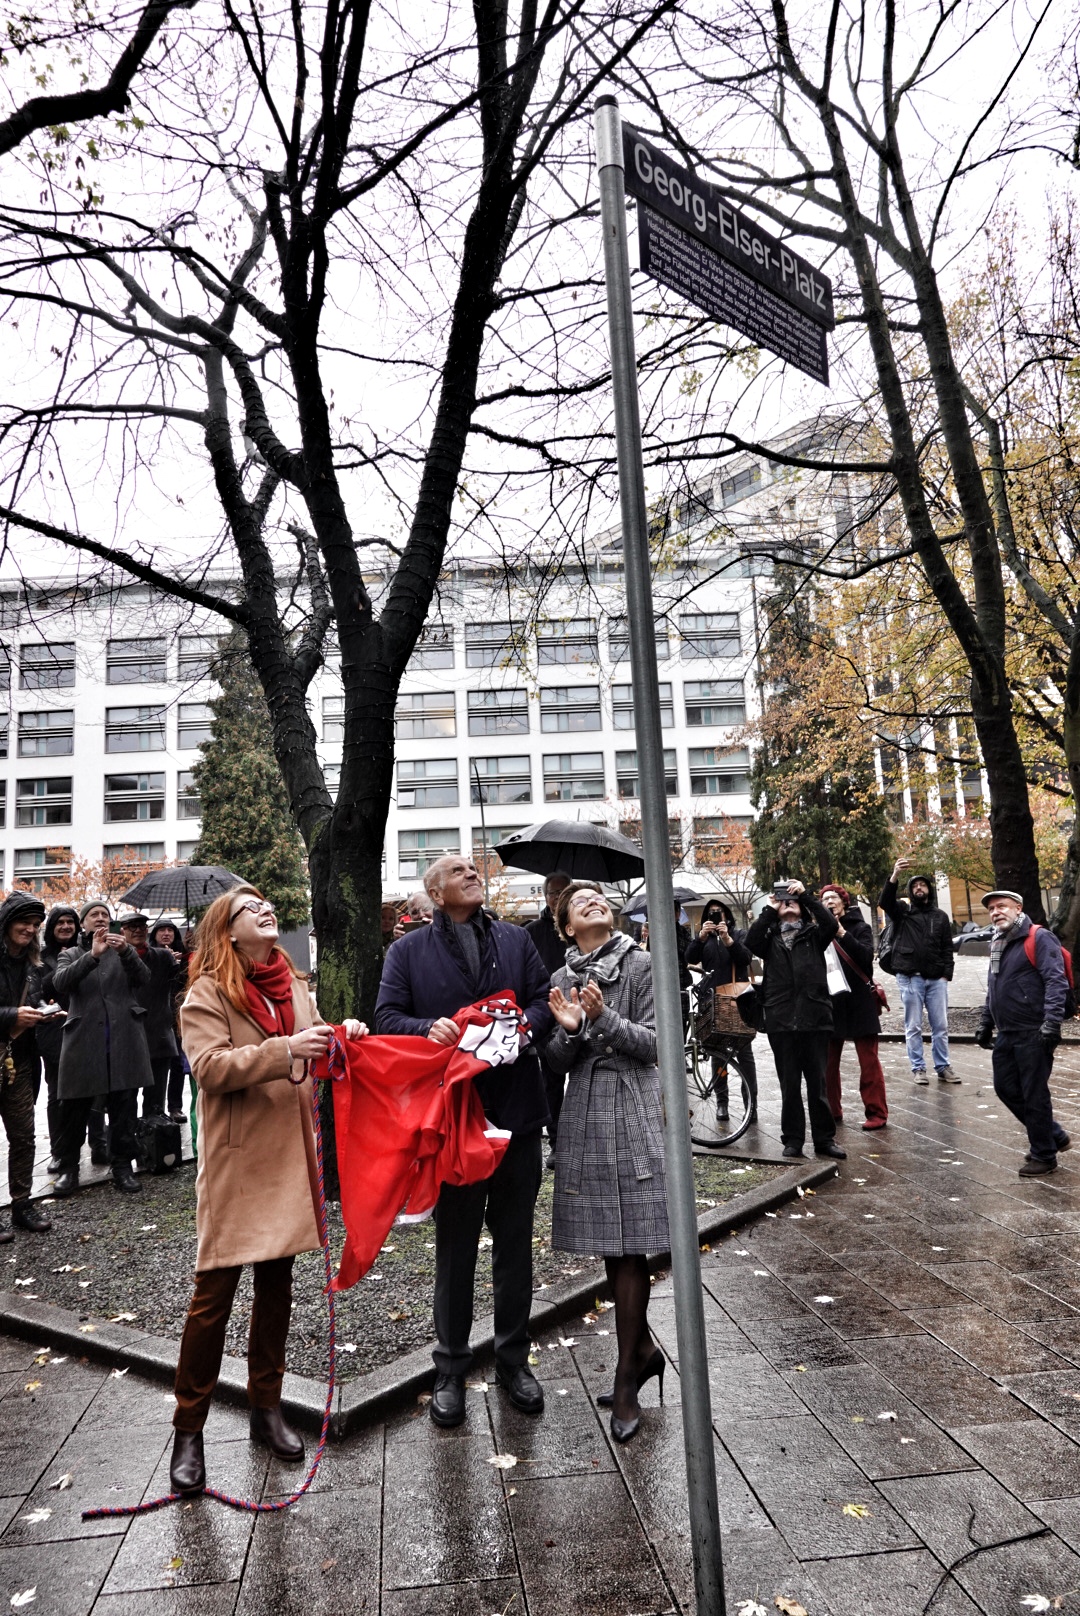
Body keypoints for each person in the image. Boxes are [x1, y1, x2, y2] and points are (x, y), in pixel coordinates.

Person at [171, 884, 366, 1493]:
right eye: (248, 908)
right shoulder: (205, 993)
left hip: (290, 1157)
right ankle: (189, 1429)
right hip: (237, 1163)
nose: (264, 910)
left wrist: (340, 1034)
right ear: (227, 932)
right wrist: (285, 1050)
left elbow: (313, 1049)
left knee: (277, 1289)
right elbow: (209, 1068)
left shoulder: (296, 984)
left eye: (266, 904)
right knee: (213, 1299)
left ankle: (267, 1408)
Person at [375, 854, 553, 1430]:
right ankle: (450, 1369)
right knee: (455, 1248)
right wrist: (429, 1028)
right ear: (433, 892)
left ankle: (512, 1361)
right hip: (453, 1121)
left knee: (515, 1244)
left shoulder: (516, 940)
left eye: (472, 869)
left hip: (517, 1112)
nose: (472, 873)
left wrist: (518, 1026)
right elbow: (386, 1017)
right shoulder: (407, 952)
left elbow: (543, 1000)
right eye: (457, 871)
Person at [545, 882, 666, 1444]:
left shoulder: (641, 962)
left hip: (632, 1105)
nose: (592, 901)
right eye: (578, 902)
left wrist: (605, 1020)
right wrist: (571, 1031)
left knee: (631, 1238)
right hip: (586, 1111)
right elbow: (556, 1057)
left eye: (598, 897)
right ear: (567, 925)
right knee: (608, 1239)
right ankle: (639, 1350)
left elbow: (659, 1042)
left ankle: (625, 1377)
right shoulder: (561, 979)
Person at [51, 900, 151, 1197]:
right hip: (84, 1041)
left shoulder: (124, 952)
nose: (100, 919)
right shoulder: (70, 953)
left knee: (124, 1108)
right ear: (83, 924)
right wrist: (92, 957)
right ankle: (69, 1169)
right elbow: (60, 983)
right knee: (75, 1109)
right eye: (93, 915)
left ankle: (122, 1167)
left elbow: (144, 978)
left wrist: (125, 951)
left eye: (105, 915)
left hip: (123, 1040)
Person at [745, 881, 846, 1162]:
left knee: (818, 1083)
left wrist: (808, 897)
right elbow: (749, 942)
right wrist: (769, 908)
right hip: (781, 1019)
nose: (787, 902)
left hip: (815, 1018)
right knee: (789, 1085)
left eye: (792, 900)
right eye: (782, 900)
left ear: (802, 909)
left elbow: (829, 923)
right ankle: (793, 1140)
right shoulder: (769, 938)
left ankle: (825, 1140)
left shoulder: (815, 934)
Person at [975, 890, 1071, 1177]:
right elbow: (994, 988)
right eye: (991, 909)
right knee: (1005, 1088)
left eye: (1001, 906)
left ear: (1018, 907)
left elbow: (1056, 981)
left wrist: (1051, 1023)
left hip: (1034, 1030)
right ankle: (1051, 1134)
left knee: (1034, 1094)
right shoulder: (997, 941)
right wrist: (985, 1022)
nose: (996, 912)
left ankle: (1044, 1154)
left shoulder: (1039, 937)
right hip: (1007, 1031)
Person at [0, 892, 53, 1241]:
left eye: (35, 924)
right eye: (24, 922)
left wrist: (43, 1011)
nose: (30, 929)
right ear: (6, 923)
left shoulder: (35, 965)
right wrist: (12, 1016)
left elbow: (30, 1005)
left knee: (23, 1137)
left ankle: (22, 1205)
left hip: (19, 1062)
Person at [880, 857, 958, 1085]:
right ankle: (918, 1068)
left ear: (929, 889)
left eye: (922, 885)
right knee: (913, 1026)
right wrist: (894, 875)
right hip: (910, 977)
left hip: (936, 980)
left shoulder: (940, 917)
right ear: (910, 892)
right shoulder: (903, 912)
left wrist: (946, 975)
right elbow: (885, 901)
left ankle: (943, 1067)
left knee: (940, 1026)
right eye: (914, 886)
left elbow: (947, 948)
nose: (919, 888)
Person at [39, 906, 106, 1171]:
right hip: (53, 1030)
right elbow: (38, 990)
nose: (66, 926)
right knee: (58, 1094)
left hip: (85, 1028)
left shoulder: (90, 949)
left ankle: (99, 1145)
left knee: (95, 1090)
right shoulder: (41, 957)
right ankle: (60, 1151)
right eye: (60, 922)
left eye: (70, 922)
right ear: (52, 927)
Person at [819, 885, 888, 1131]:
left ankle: (877, 1113)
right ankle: (832, 1111)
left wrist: (841, 933)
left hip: (860, 1001)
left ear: (844, 903)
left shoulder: (860, 928)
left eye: (833, 898)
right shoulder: (818, 931)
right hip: (832, 1004)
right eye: (824, 899)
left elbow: (865, 957)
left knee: (869, 1061)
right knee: (828, 1063)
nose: (829, 902)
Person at [687, 898, 758, 1122]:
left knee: (745, 1055)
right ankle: (722, 1103)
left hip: (739, 1000)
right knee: (718, 1056)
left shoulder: (738, 935)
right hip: (712, 1001)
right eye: (712, 913)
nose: (716, 915)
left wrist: (727, 939)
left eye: (719, 912)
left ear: (727, 915)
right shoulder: (705, 939)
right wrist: (700, 938)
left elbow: (746, 958)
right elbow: (688, 958)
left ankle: (751, 1104)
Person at [525, 870, 572, 1167]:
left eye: (563, 892)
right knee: (551, 1083)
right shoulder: (531, 931)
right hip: (546, 1017)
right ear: (544, 896)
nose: (557, 898)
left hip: (580, 1013)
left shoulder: (576, 928)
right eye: (553, 893)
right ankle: (556, 1141)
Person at [118, 911, 180, 1118]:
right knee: (125, 1103)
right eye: (131, 927)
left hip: (158, 1038)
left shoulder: (163, 956)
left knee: (155, 1105)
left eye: (141, 926)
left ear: (147, 930)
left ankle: (153, 1146)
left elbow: (182, 982)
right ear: (122, 931)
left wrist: (188, 950)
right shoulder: (112, 958)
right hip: (127, 1040)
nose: (137, 930)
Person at [149, 920, 190, 1120]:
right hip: (157, 1016)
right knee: (158, 1065)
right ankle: (154, 1108)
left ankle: (175, 1106)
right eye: (161, 930)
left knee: (177, 1063)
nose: (166, 934)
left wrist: (183, 960)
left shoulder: (183, 955)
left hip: (178, 1013)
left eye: (170, 930)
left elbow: (186, 981)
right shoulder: (149, 955)